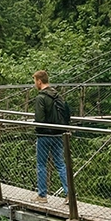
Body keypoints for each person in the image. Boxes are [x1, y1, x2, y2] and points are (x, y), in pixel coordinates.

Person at [31, 70, 68, 203]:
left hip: (45, 135)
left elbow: (40, 119)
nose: (35, 84)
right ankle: (69, 194)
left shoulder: (41, 97)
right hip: (58, 133)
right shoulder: (58, 95)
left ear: (39, 81)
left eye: (35, 81)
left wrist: (36, 128)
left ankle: (42, 195)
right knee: (60, 164)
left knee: (41, 164)